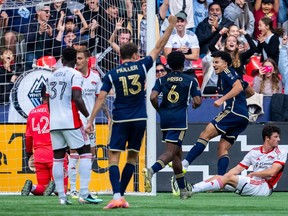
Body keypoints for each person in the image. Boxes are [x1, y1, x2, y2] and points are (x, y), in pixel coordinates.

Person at [85, 15, 177, 209]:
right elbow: (160, 45)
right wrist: (171, 25)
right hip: (140, 119)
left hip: (120, 119)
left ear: (121, 56)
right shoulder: (143, 65)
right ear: (136, 55)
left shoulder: (112, 74)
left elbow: (101, 97)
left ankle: (117, 195)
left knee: (113, 158)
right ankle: (122, 196)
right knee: (132, 158)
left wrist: (90, 120)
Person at [142, 51, 202, 199]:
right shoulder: (190, 80)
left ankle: (183, 190)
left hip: (165, 119)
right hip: (179, 120)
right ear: (183, 64)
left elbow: (153, 97)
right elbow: (198, 101)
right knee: (170, 152)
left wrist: (159, 109)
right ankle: (151, 170)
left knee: (176, 154)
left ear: (168, 64)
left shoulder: (162, 79)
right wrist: (195, 104)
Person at [47, 47, 100, 205]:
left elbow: (48, 100)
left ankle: (62, 197)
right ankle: (84, 193)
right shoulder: (75, 74)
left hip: (54, 122)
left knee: (58, 157)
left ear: (62, 59)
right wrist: (88, 117)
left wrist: (53, 116)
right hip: (70, 121)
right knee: (85, 152)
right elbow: (77, 97)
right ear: (74, 60)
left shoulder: (52, 75)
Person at [182, 51, 249, 175]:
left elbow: (239, 87)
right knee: (222, 148)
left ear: (225, 63)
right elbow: (247, 89)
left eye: (217, 62)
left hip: (233, 111)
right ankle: (221, 179)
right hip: (243, 117)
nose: (214, 65)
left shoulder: (227, 72)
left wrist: (222, 99)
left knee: (205, 133)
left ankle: (185, 163)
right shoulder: (226, 76)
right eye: (213, 62)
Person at [190, 124, 287, 197]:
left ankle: (193, 190)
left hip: (265, 187)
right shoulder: (254, 152)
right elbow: (237, 169)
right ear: (267, 138)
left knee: (226, 178)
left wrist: (253, 174)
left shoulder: (280, 153)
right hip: (252, 183)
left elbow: (272, 172)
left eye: (278, 137)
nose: (278, 139)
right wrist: (223, 178)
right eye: (275, 137)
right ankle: (191, 188)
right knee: (217, 177)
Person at [68, 49, 110, 199]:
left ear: (87, 59)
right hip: (75, 120)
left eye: (80, 58)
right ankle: (72, 189)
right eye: (76, 58)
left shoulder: (95, 76)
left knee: (90, 154)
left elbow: (100, 99)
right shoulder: (72, 75)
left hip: (90, 122)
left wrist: (108, 116)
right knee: (74, 152)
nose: (77, 61)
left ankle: (84, 189)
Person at [21, 85, 68, 196]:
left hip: (39, 155)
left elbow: (28, 137)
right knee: (63, 189)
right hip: (55, 153)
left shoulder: (32, 112)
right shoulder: (57, 111)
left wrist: (29, 154)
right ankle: (56, 186)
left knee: (43, 188)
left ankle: (32, 187)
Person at [164, 11, 200, 77]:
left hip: (187, 69)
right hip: (171, 69)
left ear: (186, 22)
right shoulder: (170, 35)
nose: (179, 24)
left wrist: (179, 55)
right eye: (177, 21)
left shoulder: (192, 36)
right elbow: (167, 56)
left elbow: (195, 56)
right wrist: (178, 51)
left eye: (182, 21)